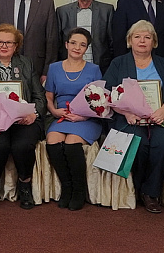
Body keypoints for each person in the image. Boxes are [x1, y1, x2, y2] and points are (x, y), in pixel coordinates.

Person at [103, 20, 164, 213]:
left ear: (154, 42)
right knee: (138, 143)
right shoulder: (118, 63)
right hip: (129, 119)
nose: (142, 41)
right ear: (129, 40)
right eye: (137, 36)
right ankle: (139, 187)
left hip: (160, 119)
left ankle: (150, 192)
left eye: (147, 37)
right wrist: (126, 112)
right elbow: (108, 94)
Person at [0, 24, 48, 209]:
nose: (4, 46)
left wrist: (34, 114)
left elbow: (39, 96)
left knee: (23, 145)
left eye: (9, 42)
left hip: (25, 121)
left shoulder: (26, 64)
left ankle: (25, 186)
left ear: (16, 46)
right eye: (0, 42)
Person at [44, 28, 103, 211]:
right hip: (62, 116)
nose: (77, 47)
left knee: (71, 144)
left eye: (82, 45)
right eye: (74, 43)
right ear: (66, 44)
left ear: (86, 48)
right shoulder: (54, 68)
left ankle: (78, 190)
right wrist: (54, 111)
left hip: (87, 118)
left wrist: (83, 115)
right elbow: (48, 96)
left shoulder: (94, 69)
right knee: (53, 141)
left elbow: (100, 99)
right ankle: (67, 187)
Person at [55, 0, 115, 73]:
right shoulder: (62, 12)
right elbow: (57, 43)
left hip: (100, 68)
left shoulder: (107, 11)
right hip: (70, 68)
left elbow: (112, 42)